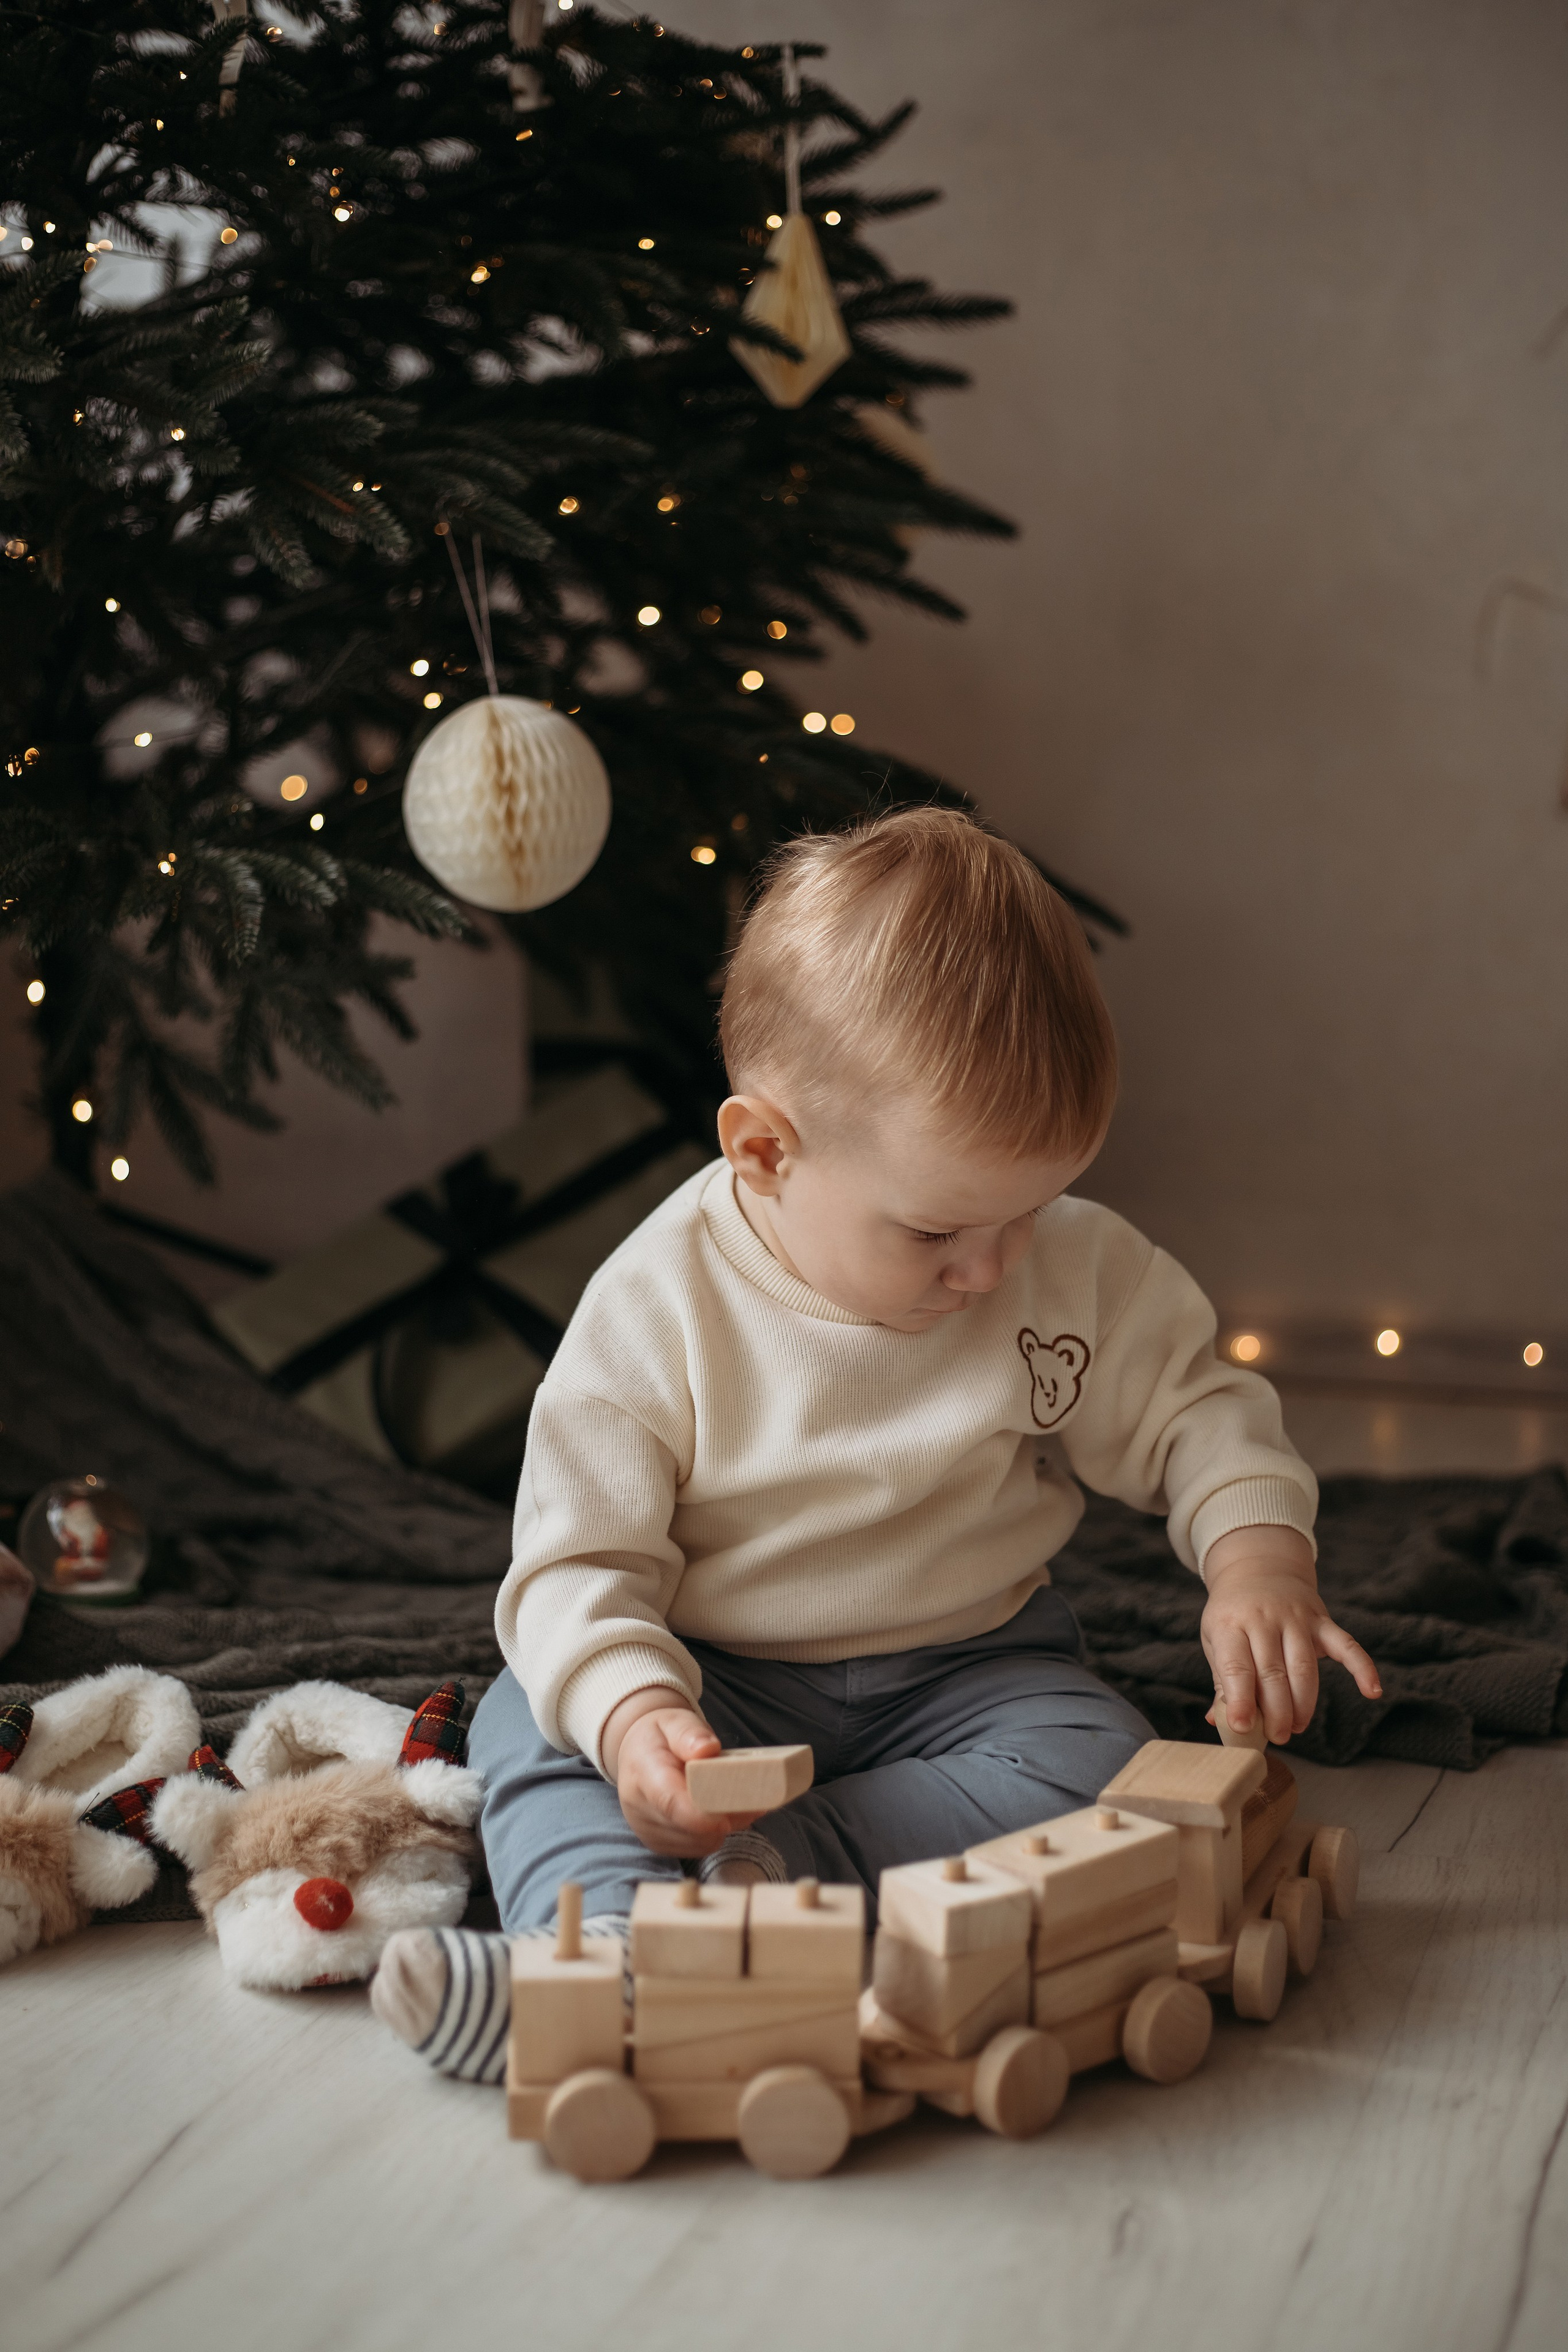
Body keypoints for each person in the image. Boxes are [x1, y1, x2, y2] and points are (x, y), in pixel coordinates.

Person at [372, 807, 1381, 2082]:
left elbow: (1194, 1408)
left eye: (1027, 1211)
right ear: (763, 1152)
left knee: (1108, 1765)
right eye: (936, 1231)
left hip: (971, 1669)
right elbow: (575, 1564)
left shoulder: (1056, 1261)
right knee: (527, 1722)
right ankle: (590, 1961)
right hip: (714, 1674)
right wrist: (636, 1720)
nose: (989, 1267)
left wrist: (1255, 1564)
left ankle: (766, 1871)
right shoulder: (656, 1308)